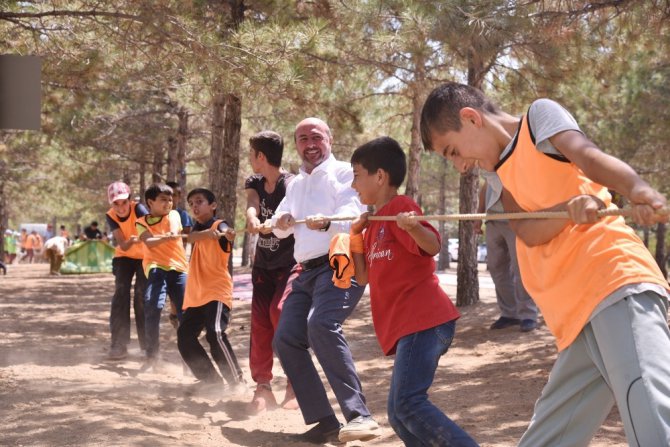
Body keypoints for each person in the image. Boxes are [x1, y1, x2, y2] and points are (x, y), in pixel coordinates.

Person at [420, 82, 670, 446]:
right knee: (549, 437)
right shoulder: (498, 176)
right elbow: (529, 231)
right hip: (576, 319)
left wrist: (637, 190)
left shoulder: (538, 118)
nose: (459, 166)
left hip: (613, 283)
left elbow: (589, 157)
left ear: (471, 119)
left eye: (453, 151)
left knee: (653, 423)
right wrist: (571, 205)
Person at [348, 136, 479, 446]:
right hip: (411, 327)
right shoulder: (374, 222)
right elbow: (363, 277)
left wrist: (412, 227)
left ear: (379, 177)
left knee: (408, 403)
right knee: (397, 412)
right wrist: (355, 237)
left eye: (356, 175)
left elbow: (432, 245)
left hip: (426, 321)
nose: (353, 185)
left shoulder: (401, 207)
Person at [271, 117, 379, 444]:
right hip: (305, 271)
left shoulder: (345, 172)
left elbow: (352, 215)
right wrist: (281, 220)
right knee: (286, 337)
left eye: (316, 136)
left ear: (329, 139)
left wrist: (327, 222)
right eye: (302, 138)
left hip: (339, 262)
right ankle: (324, 420)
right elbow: (278, 226)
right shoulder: (295, 184)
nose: (310, 144)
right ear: (297, 145)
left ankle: (360, 416)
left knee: (321, 325)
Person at [244, 130, 298, 414]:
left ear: (260, 156)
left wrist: (285, 219)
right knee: (260, 322)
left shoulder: (291, 183)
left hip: (288, 265)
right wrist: (253, 217)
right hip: (263, 265)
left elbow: (293, 211)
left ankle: (295, 382)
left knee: (281, 314)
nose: (250, 159)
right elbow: (252, 203)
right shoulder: (254, 181)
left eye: (251, 154)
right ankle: (263, 385)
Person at [177, 188, 244, 390]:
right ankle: (212, 383)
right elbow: (190, 238)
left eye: (199, 201)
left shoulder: (219, 225)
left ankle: (237, 382)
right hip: (197, 294)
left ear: (213, 205)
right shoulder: (197, 231)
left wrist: (227, 234)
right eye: (191, 204)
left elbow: (227, 233)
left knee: (215, 333)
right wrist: (206, 234)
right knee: (185, 337)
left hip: (216, 291)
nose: (195, 206)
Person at [476, 176, 538, 332]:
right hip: (492, 219)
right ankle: (509, 313)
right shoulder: (489, 161)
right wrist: (479, 215)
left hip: (515, 217)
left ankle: (528, 314)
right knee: (497, 269)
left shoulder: (515, 157)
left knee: (521, 268)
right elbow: (486, 187)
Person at [136, 183, 188, 368]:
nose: (168, 203)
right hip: (156, 268)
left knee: (185, 313)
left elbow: (174, 227)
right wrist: (165, 238)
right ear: (150, 202)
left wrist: (172, 234)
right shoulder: (141, 222)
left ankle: (188, 360)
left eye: (170, 199)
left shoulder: (174, 215)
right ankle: (152, 356)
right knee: (153, 306)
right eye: (163, 200)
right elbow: (148, 242)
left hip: (178, 269)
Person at [105, 181, 149, 360]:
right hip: (124, 256)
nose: (121, 207)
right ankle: (119, 344)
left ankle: (148, 346)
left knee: (141, 296)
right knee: (121, 293)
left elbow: (151, 227)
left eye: (124, 202)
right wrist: (132, 240)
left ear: (129, 200)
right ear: (111, 204)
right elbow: (122, 243)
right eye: (116, 203)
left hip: (145, 256)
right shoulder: (110, 216)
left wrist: (143, 237)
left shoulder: (139, 209)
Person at [166, 181, 193, 328]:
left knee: (180, 294)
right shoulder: (157, 215)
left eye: (175, 195)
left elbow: (188, 236)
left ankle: (178, 318)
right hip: (162, 261)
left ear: (179, 196)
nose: (172, 198)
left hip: (178, 260)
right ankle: (174, 314)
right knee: (171, 295)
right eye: (168, 195)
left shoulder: (183, 215)